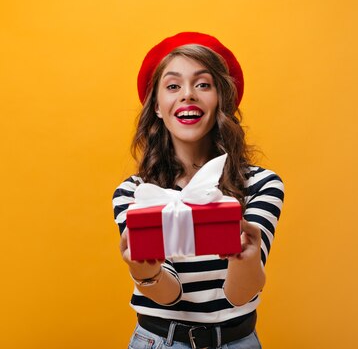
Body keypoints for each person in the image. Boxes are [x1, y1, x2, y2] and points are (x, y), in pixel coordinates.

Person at [113, 32, 284, 348]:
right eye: (173, 86)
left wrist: (246, 257)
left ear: (222, 100)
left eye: (203, 84)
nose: (187, 95)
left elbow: (240, 294)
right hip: (159, 341)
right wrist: (144, 271)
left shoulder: (262, 185)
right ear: (158, 108)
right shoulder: (134, 193)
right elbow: (168, 295)